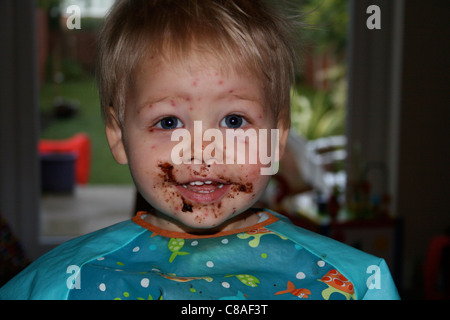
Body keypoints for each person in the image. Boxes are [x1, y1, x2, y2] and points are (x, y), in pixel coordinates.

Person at [0, 0, 399, 300]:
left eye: (233, 120)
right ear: (119, 137)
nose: (203, 153)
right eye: (169, 123)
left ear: (276, 137)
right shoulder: (61, 285)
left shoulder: (356, 283)